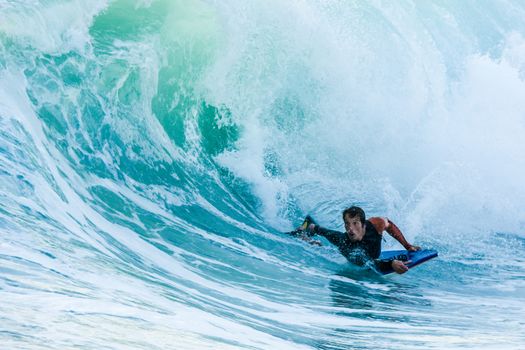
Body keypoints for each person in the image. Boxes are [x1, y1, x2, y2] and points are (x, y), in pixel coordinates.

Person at [289, 206, 420, 274]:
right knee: (323, 233)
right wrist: (391, 264)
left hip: (369, 249)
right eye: (347, 224)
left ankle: (311, 226)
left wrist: (407, 246)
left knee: (323, 231)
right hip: (346, 246)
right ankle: (307, 229)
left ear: (364, 224)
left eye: (355, 223)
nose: (350, 229)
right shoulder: (348, 245)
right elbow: (370, 263)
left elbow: (389, 225)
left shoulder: (376, 224)